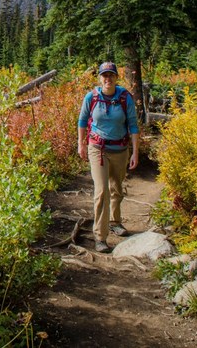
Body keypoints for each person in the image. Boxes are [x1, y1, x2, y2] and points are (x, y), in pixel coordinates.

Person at [77, 61, 140, 253]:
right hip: (98, 148)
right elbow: (82, 121)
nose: (108, 79)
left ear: (116, 77)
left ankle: (115, 221)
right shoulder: (92, 97)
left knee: (117, 187)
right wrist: (81, 143)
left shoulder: (124, 98)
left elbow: (133, 125)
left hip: (120, 149)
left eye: (111, 75)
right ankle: (100, 236)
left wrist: (135, 151)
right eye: (104, 75)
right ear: (100, 78)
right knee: (102, 190)